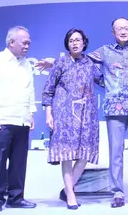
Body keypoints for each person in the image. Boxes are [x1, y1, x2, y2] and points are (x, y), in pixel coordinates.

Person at [36, 17, 128, 208]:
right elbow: (77, 58)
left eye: (126, 28)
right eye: (119, 29)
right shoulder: (103, 52)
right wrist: (54, 62)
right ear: (113, 32)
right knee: (115, 153)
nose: (123, 31)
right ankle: (117, 193)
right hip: (114, 108)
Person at [42, 28, 103, 210]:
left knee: (84, 155)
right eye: (71, 40)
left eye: (78, 40)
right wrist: (48, 113)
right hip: (64, 115)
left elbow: (103, 80)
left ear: (84, 43)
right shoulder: (60, 63)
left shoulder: (90, 64)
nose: (75, 43)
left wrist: (116, 68)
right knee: (66, 156)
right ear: (67, 44)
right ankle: (70, 194)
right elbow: (48, 90)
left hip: (87, 116)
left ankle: (67, 189)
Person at [0, 26, 37, 212]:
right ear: (11, 42)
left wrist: (31, 113)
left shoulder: (26, 64)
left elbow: (30, 90)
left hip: (21, 119)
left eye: (29, 42)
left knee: (19, 161)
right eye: (24, 42)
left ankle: (16, 197)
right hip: (2, 119)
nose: (27, 46)